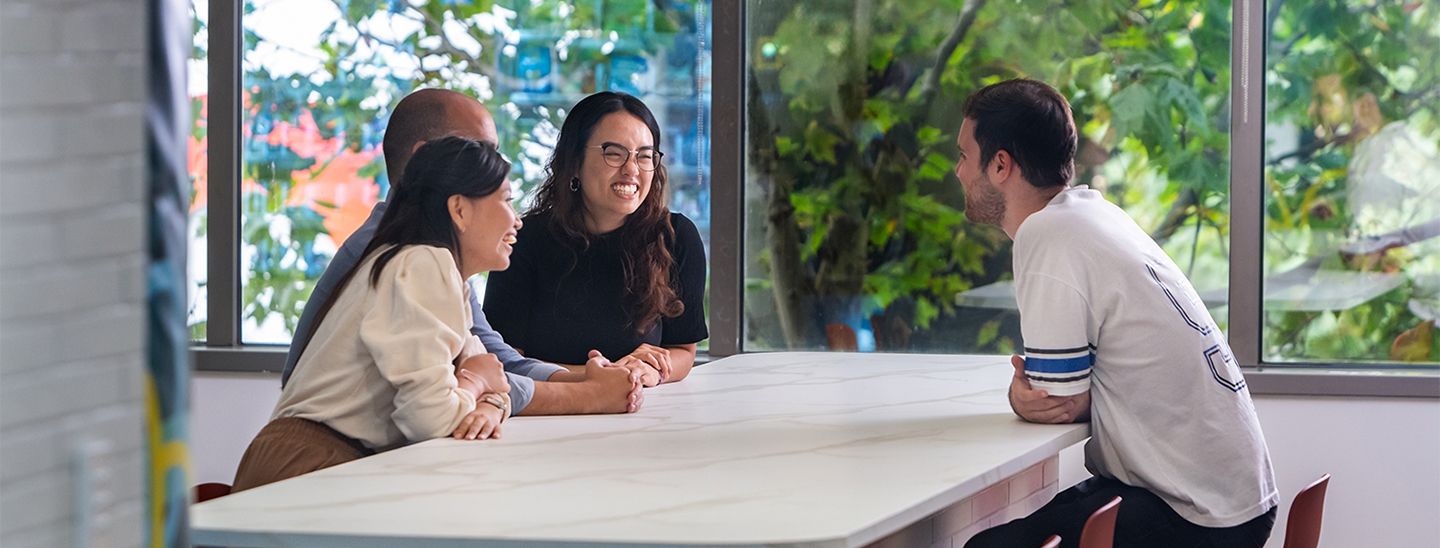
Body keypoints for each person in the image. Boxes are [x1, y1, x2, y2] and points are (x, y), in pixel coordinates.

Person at [954, 79, 1278, 547]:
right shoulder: (1095, 214)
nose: (958, 171)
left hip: (1199, 515)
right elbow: (1073, 396)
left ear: (1000, 164)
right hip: (1229, 499)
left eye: (964, 156)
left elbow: (1057, 400)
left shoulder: (1048, 234)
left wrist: (1020, 396)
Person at [281, 88, 643, 416]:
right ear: (429, 161)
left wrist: (592, 381)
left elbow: (490, 361)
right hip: (326, 465)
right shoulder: (412, 257)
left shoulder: (437, 253)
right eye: (480, 151)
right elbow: (445, 396)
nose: (514, 217)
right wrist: (589, 396)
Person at [234, 136, 522, 491]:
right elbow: (430, 418)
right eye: (508, 200)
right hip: (307, 464)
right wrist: (475, 385)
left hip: (326, 462)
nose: (517, 220)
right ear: (459, 210)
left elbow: (493, 375)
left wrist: (490, 402)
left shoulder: (441, 274)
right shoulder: (423, 263)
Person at [484, 92, 708, 387]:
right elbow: (503, 358)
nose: (632, 170)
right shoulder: (525, 240)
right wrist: (602, 377)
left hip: (641, 410)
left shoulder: (676, 237)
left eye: (644, 155)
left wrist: (651, 370)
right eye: (614, 153)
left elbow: (682, 349)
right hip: (548, 410)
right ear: (574, 161)